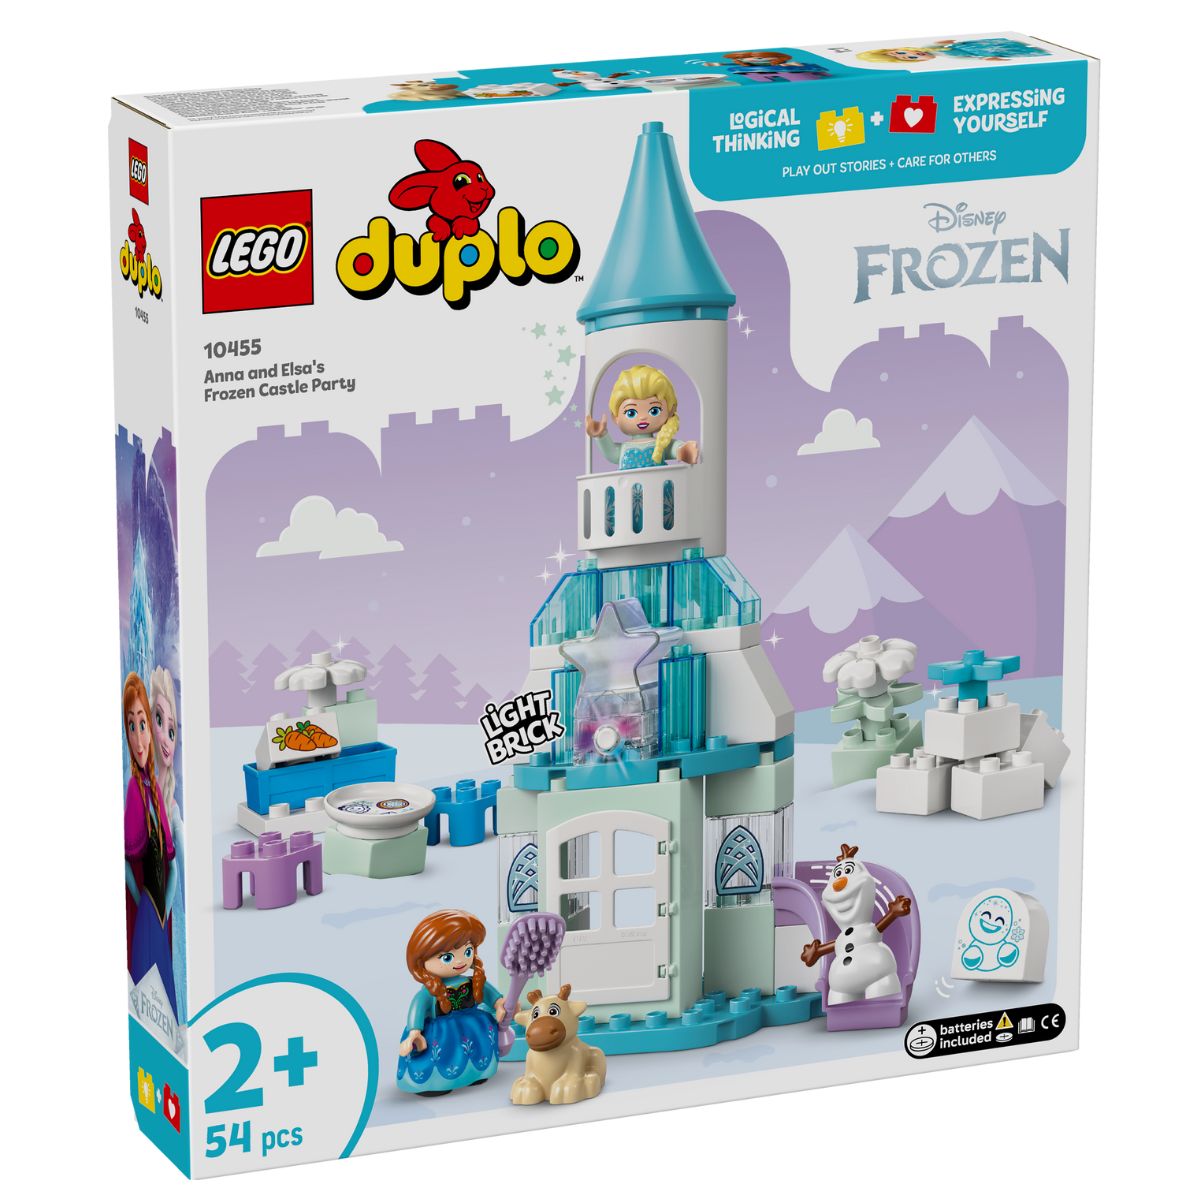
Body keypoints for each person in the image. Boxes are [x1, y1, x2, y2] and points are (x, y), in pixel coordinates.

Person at [396, 909, 506, 1096]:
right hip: (442, 1031)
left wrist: (499, 1004)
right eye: (447, 957)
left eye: (467, 951)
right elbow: (417, 1009)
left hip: (473, 1025)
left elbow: (492, 995)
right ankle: (436, 1084)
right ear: (421, 962)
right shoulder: (429, 991)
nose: (460, 961)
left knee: (479, 1048)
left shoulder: (472, 981)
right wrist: (415, 1032)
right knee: (443, 1054)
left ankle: (477, 1072)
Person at [124, 671, 178, 1018]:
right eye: (132, 726)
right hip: (147, 911)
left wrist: (166, 907)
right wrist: (141, 901)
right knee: (148, 998)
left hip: (159, 914)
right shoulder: (134, 789)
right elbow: (126, 859)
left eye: (143, 724)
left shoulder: (154, 790)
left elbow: (172, 862)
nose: (139, 738)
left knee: (165, 997)